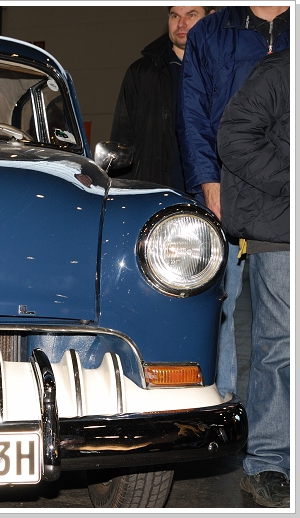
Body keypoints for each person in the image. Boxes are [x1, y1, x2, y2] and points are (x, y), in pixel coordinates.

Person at [177, 5, 289, 400]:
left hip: (279, 196)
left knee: (281, 332)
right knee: (217, 308)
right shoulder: (210, 30)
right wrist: (208, 182)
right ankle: (220, 400)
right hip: (223, 188)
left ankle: (272, 428)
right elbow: (192, 113)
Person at [217, 47, 290, 508]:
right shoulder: (283, 70)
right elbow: (234, 136)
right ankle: (267, 462)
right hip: (282, 229)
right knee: (281, 346)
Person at [109, 6, 213, 189]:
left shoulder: (226, 71)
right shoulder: (141, 73)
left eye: (191, 15)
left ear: (211, 17)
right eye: (175, 16)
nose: (181, 24)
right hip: (156, 193)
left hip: (211, 194)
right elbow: (122, 141)